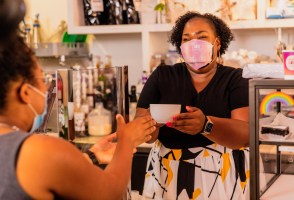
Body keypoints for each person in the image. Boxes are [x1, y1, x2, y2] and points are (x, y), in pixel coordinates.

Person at [0, 28, 157, 200]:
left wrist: (92, 157)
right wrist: (126, 142)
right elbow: (109, 192)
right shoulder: (39, 149)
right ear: (25, 93)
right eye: (43, 79)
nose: (46, 88)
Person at [136, 12, 250, 200]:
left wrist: (206, 125)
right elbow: (142, 132)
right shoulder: (162, 76)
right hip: (166, 174)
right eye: (186, 39)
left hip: (221, 175)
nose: (193, 44)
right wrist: (151, 124)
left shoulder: (235, 78)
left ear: (218, 43)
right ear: (180, 47)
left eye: (202, 37)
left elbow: (244, 135)